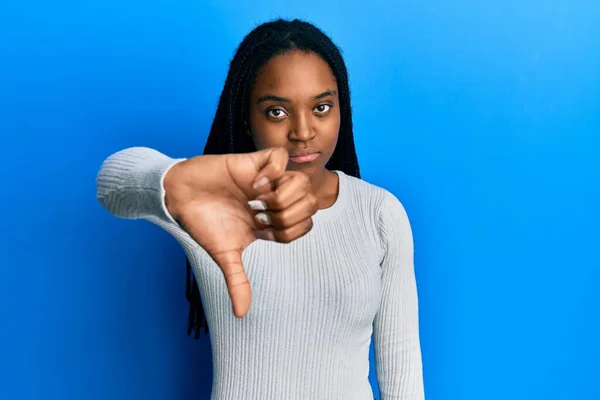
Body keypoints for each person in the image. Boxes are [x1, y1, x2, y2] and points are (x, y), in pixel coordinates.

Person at [96, 18, 425, 400]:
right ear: (247, 119)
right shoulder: (214, 206)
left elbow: (401, 366)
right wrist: (175, 182)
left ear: (341, 109)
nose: (303, 131)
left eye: (321, 107)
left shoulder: (379, 212)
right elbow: (110, 183)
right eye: (277, 112)